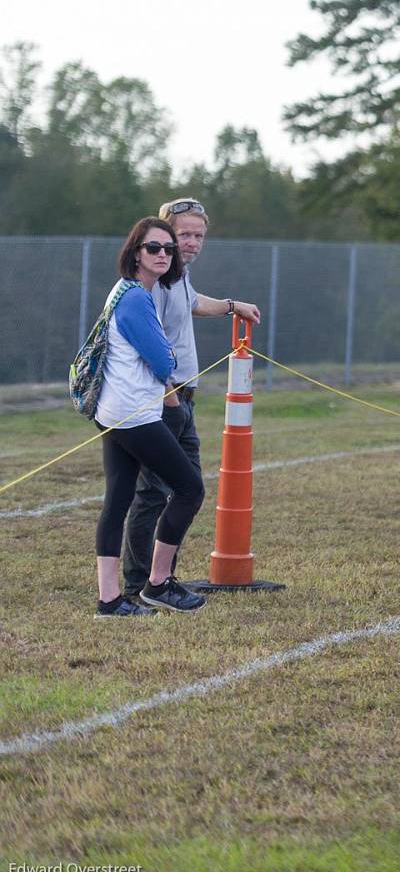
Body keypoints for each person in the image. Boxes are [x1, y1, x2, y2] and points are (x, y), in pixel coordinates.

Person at [120, 198, 260, 600]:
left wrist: (234, 306)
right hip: (167, 399)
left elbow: (194, 303)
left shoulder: (179, 275)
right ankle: (140, 583)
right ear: (163, 235)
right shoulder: (159, 279)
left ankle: (160, 579)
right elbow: (151, 342)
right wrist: (168, 397)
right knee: (155, 492)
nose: (193, 242)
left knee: (186, 488)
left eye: (199, 235)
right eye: (184, 234)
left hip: (183, 398)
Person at [93, 218, 207, 616]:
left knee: (118, 500)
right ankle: (157, 584)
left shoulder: (131, 292)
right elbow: (162, 360)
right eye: (153, 248)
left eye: (168, 249)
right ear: (135, 253)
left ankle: (109, 600)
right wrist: (170, 360)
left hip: (116, 410)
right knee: (190, 490)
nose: (162, 254)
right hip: (133, 414)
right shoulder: (136, 297)